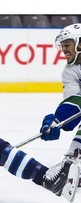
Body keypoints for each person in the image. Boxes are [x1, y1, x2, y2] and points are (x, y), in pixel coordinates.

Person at [39, 23, 81, 159]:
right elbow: (74, 99)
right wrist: (57, 121)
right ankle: (72, 162)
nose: (64, 49)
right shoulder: (70, 71)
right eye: (62, 46)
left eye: (67, 45)